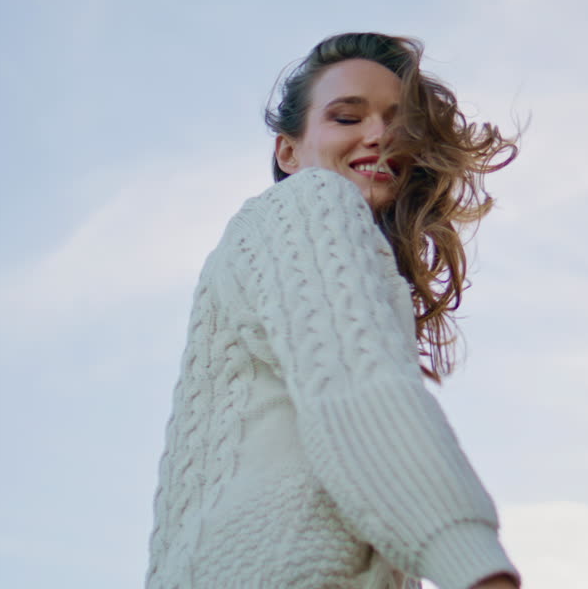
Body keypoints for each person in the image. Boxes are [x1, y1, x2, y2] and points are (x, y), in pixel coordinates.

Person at [146, 32, 521, 589]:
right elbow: (362, 395)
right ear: (289, 152)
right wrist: (475, 567)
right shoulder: (313, 201)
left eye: (401, 124)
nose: (379, 135)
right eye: (347, 117)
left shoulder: (267, 248)